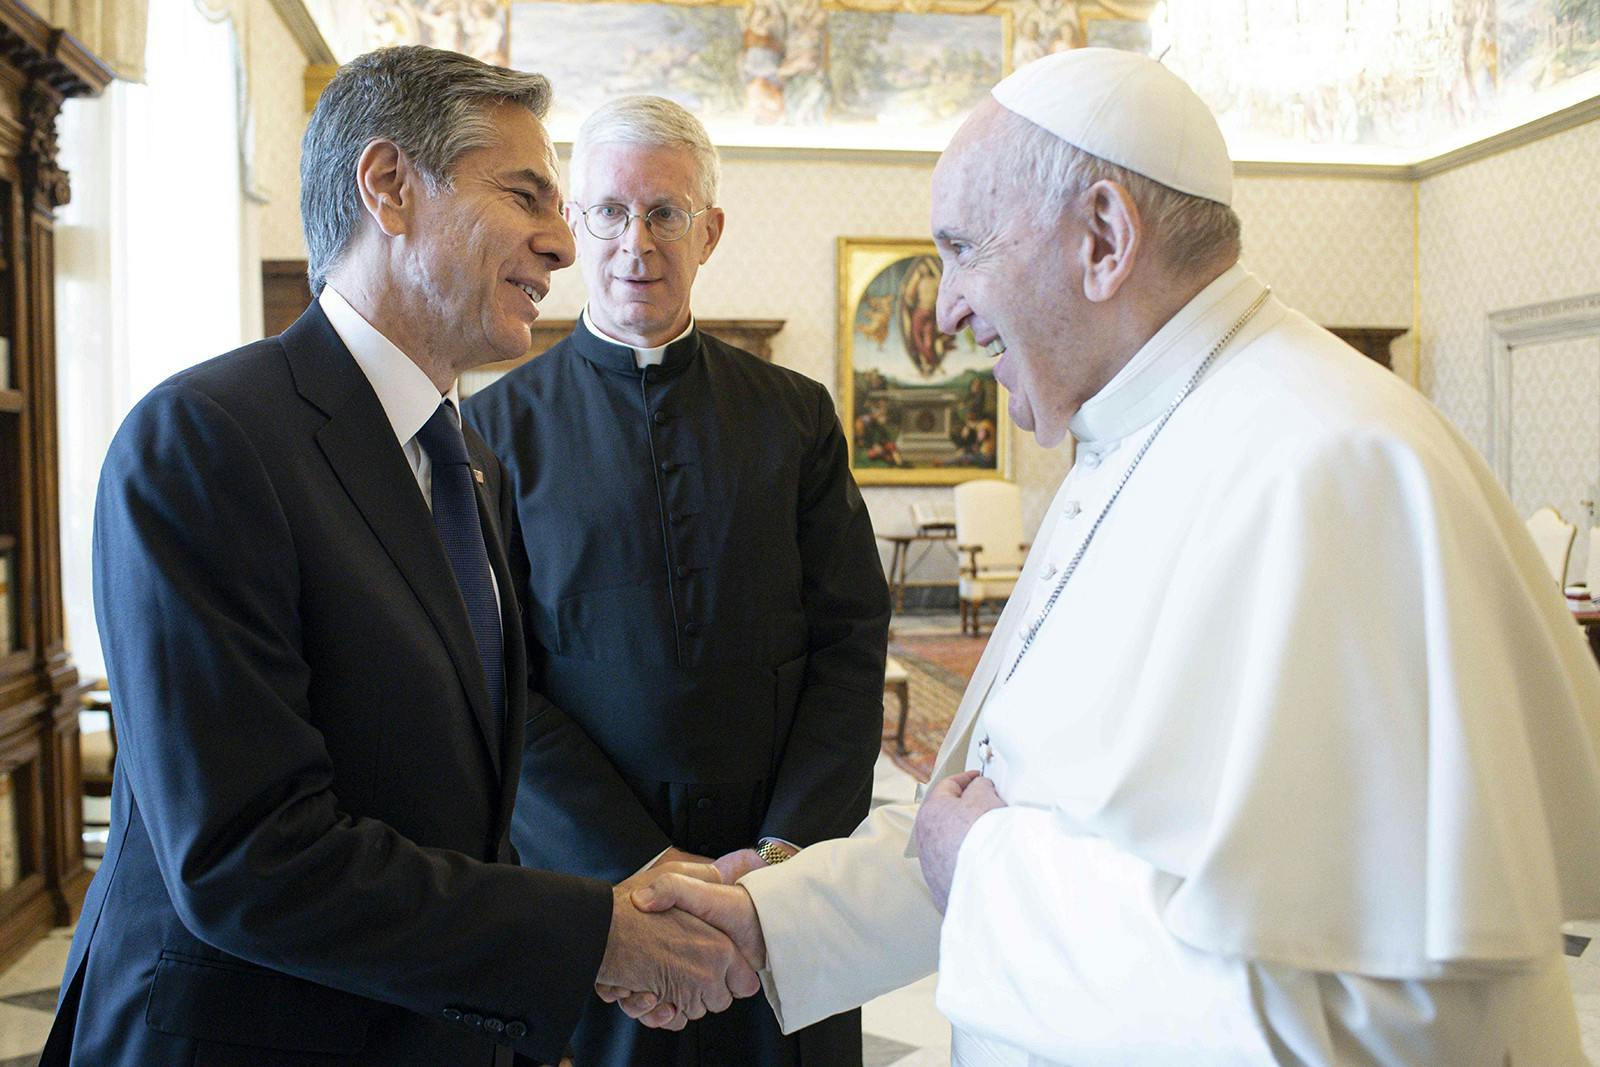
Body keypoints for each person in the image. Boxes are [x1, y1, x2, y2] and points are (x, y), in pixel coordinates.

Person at [623, 48, 1600, 1064]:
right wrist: (771, 918)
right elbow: (1003, 825)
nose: (945, 306)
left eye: (960, 248)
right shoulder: (1133, 435)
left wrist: (990, 872)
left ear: (1101, 237)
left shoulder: (1331, 468)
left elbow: (1373, 1023)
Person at [42, 47, 757, 1067]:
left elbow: (448, 806)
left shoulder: (469, 461)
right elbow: (250, 858)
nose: (563, 244)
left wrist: (571, 946)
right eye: (525, 194)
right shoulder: (206, 438)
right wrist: (592, 933)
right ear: (388, 187)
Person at [464, 94, 889, 1066]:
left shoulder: (793, 415)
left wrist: (782, 854)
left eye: (666, 212)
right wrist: (635, 860)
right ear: (573, 226)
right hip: (600, 888)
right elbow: (494, 675)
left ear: (710, 230)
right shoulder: (495, 432)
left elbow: (850, 639)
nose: (636, 241)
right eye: (609, 211)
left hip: (779, 882)